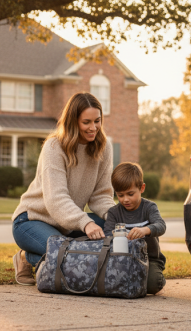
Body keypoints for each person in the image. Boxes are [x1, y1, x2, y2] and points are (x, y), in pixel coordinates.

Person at [11, 92, 115, 285]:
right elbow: (56, 200)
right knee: (69, 256)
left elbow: (101, 196)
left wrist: (117, 219)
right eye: (86, 122)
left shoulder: (104, 147)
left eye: (97, 121)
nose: (93, 128)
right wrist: (85, 223)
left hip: (67, 225)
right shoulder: (54, 147)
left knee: (112, 235)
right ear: (73, 122)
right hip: (32, 220)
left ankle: (59, 252)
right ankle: (26, 258)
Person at [103, 162, 166, 295]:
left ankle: (157, 276)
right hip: (121, 259)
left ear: (142, 188)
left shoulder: (149, 207)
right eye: (120, 195)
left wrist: (145, 230)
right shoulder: (114, 212)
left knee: (152, 286)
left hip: (150, 259)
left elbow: (161, 225)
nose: (125, 199)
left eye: (130, 194)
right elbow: (108, 234)